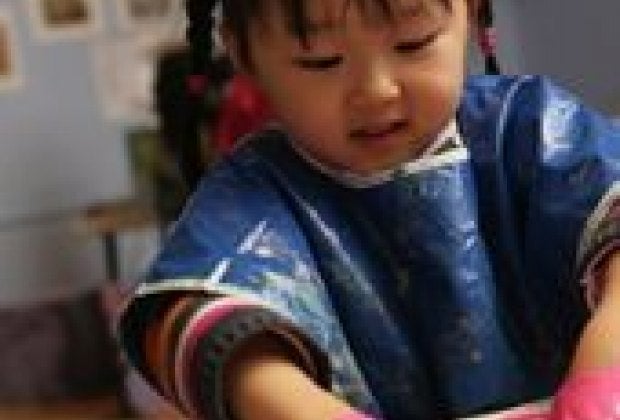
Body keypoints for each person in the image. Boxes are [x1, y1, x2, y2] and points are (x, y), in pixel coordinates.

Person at [118, 0, 620, 418]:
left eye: (413, 43)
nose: (377, 91)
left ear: (472, 14)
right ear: (244, 56)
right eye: (321, 62)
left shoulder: (530, 130)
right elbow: (188, 321)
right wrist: (288, 403)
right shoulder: (253, 197)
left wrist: (603, 374)